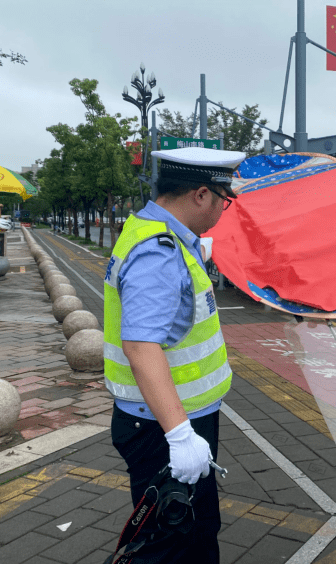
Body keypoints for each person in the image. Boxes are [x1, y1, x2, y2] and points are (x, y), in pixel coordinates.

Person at [104, 146, 245, 563]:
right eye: (225, 199)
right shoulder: (159, 254)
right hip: (164, 425)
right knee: (169, 544)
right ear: (201, 195)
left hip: (169, 417)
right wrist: (180, 434)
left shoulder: (155, 235)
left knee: (196, 533)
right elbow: (140, 346)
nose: (225, 209)